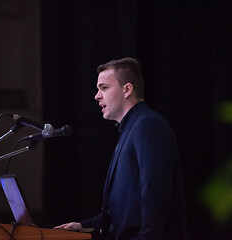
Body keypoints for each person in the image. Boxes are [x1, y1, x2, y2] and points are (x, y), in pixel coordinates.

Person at [55, 57, 187, 240]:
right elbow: (124, 209)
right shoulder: (131, 128)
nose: (97, 95)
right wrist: (84, 226)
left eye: (104, 87)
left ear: (127, 89)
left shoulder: (148, 125)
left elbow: (156, 196)